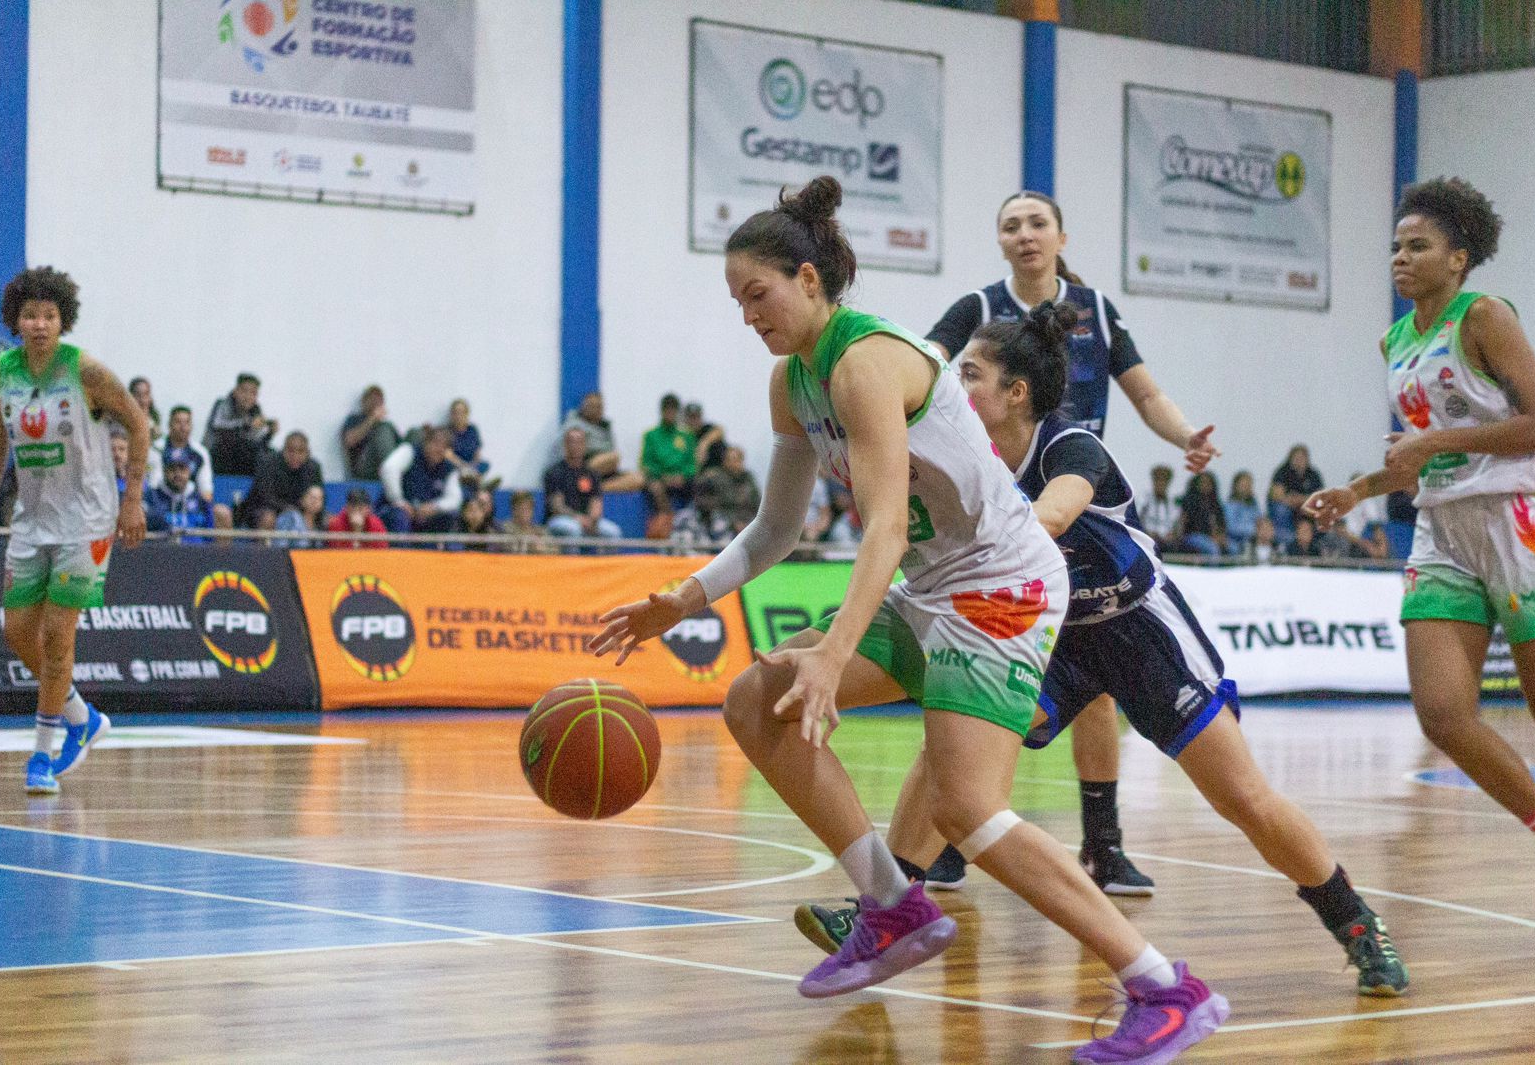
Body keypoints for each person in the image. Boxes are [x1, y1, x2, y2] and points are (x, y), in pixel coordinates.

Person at [590, 178, 1226, 1061]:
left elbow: (885, 525)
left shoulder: (866, 361)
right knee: (754, 700)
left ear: (809, 279)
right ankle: (892, 905)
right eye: (736, 301)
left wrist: (833, 652)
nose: (748, 316)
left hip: (1002, 584)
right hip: (936, 584)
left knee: (969, 808)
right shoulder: (792, 383)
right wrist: (684, 598)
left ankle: (1166, 989)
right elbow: (776, 528)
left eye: (757, 294)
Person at [799, 301, 1409, 999]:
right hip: (1051, 635)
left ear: (1016, 393)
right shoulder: (964, 454)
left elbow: (1053, 516)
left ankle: (1355, 922)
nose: (952, 385)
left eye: (969, 374)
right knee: (954, 739)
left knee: (1243, 798)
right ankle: (887, 907)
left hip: (1135, 628)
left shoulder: (1069, 446)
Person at [1307, 176, 1535, 936]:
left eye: (1418, 246)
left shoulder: (1486, 316)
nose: (1400, 258)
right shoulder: (1395, 340)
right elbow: (1421, 455)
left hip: (1520, 523)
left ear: (1458, 259)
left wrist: (1434, 442)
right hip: (1444, 531)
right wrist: (1358, 490)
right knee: (1442, 714)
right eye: (1396, 246)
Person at [921, 192, 1220, 895]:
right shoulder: (978, 307)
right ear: (999, 241)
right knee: (973, 673)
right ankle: (951, 834)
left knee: (1096, 688)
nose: (1025, 234)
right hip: (998, 497)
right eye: (1011, 225)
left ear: (1061, 237)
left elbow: (1145, 395)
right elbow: (922, 370)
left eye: (1037, 223)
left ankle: (1103, 846)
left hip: (1076, 496)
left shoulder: (1097, 311)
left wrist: (1185, 436)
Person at [0, 267, 148, 795]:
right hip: (32, 518)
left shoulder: (86, 371)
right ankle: (83, 717)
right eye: (30, 315)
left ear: (63, 321)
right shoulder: (0, 374)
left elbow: (139, 424)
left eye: (49, 315)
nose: (39, 324)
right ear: (16, 321)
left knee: (59, 636)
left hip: (87, 519)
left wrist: (132, 499)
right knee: (18, 633)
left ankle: (42, 754)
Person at [379, 426, 462, 539]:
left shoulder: (449, 469)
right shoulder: (409, 451)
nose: (439, 449)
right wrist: (399, 501)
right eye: (436, 443)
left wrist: (435, 507)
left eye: (444, 446)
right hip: (396, 510)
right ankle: (400, 550)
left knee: (450, 517)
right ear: (426, 442)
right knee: (399, 516)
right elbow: (388, 469)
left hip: (425, 515)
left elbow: (455, 499)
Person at [545, 427, 622, 542]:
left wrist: (592, 519)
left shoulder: (591, 473)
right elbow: (557, 506)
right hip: (560, 519)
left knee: (613, 532)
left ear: (585, 445)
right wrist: (578, 518)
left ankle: (604, 555)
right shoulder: (554, 472)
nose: (575, 445)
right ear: (565, 444)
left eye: (579, 442)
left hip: (587, 520)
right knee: (574, 529)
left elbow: (596, 501)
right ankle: (572, 555)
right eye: (572, 441)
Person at [558, 391, 644, 493]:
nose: (595, 409)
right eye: (591, 406)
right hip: (582, 465)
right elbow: (571, 450)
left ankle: (595, 488)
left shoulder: (605, 427)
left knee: (638, 479)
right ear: (583, 407)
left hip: (603, 473)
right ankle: (578, 482)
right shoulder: (574, 424)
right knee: (613, 457)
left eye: (599, 406)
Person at [240, 431, 323, 528]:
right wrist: (288, 509)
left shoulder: (313, 468)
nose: (295, 456)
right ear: (284, 450)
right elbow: (264, 496)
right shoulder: (269, 463)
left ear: (307, 452)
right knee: (268, 517)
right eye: (291, 451)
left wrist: (308, 509)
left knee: (317, 516)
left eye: (301, 451)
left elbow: (319, 496)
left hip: (299, 510)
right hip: (265, 509)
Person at [641, 393, 697, 528]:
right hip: (661, 478)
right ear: (662, 411)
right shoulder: (651, 435)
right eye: (667, 410)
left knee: (701, 484)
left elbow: (693, 464)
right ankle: (669, 523)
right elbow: (646, 463)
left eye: (673, 410)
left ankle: (695, 521)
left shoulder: (687, 436)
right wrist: (663, 476)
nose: (670, 414)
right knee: (655, 487)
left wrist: (682, 475)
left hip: (683, 479)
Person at [204, 373, 276, 476]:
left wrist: (270, 433)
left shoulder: (256, 411)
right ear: (235, 391)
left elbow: (258, 442)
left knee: (271, 456)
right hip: (217, 455)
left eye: (253, 393)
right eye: (244, 391)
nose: (248, 397)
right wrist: (247, 425)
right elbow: (219, 429)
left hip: (241, 459)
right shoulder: (221, 404)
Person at [695, 445, 761, 542]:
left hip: (746, 520)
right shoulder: (715, 478)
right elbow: (708, 503)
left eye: (738, 460)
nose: (735, 463)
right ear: (725, 461)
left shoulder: (748, 478)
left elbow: (757, 502)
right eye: (731, 460)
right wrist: (733, 523)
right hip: (723, 519)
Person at [341, 385, 401, 482]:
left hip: (385, 467)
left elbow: (402, 448)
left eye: (379, 400)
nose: (375, 403)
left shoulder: (386, 425)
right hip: (363, 469)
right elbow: (349, 441)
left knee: (415, 434)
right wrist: (372, 419)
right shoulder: (354, 419)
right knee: (383, 430)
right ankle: (393, 474)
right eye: (372, 399)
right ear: (363, 402)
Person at [148, 456, 215, 542]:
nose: (178, 474)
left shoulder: (200, 499)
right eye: (172, 469)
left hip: (197, 549)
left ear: (189, 471)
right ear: (164, 471)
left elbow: (210, 535)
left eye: (182, 469)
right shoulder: (152, 497)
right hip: (163, 549)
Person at [1269, 444, 1324, 540]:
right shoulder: (1282, 472)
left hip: (1306, 507)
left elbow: (1321, 496)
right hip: (1288, 506)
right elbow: (1277, 495)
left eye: (1302, 457)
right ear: (1290, 458)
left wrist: (1301, 501)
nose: (1299, 460)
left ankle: (1314, 541)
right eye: (1296, 458)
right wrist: (1295, 502)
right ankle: (1287, 539)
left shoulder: (1313, 474)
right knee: (1280, 510)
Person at [445, 398, 496, 493]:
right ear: (451, 414)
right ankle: (482, 486)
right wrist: (464, 466)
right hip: (457, 465)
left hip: (471, 465)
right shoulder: (447, 431)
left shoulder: (472, 430)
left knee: (485, 464)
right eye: (456, 412)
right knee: (448, 465)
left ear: (467, 414)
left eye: (462, 412)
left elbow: (477, 452)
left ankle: (471, 478)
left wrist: (473, 465)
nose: (458, 416)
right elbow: (448, 455)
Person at [1174, 471, 1230, 556]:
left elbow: (1221, 524)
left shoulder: (1216, 504)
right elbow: (1188, 524)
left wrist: (1220, 536)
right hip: (1193, 535)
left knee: (1233, 548)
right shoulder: (1190, 502)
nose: (1206, 485)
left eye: (1208, 483)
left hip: (1211, 537)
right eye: (1203, 482)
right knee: (1212, 548)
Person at [1224, 470, 1261, 554]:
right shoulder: (1230, 505)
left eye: (1249, 485)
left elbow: (1260, 521)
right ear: (1236, 486)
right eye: (1244, 484)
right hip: (1235, 541)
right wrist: (1253, 530)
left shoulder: (1254, 505)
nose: (1247, 487)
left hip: (1253, 540)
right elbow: (1231, 527)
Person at [684, 401, 728, 472]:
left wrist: (704, 443)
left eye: (696, 417)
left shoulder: (707, 429)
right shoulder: (683, 434)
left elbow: (720, 430)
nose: (694, 420)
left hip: (718, 468)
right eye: (691, 417)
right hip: (698, 472)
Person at [128, 376, 161, 444]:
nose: (142, 400)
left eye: (146, 394)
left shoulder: (155, 423)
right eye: (138, 395)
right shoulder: (122, 423)